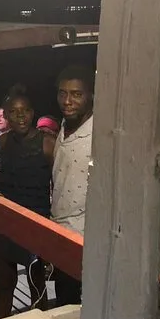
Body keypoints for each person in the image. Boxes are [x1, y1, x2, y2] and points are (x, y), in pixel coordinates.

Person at [0, 87, 56, 319]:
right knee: (5, 284)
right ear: (6, 115)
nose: (21, 116)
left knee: (36, 283)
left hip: (35, 220)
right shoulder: (2, 141)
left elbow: (57, 184)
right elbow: (2, 181)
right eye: (14, 111)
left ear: (32, 112)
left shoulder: (47, 143)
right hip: (5, 220)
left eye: (25, 110)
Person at [51, 65, 94, 306]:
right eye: (62, 93)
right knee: (63, 298)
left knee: (78, 303)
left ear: (91, 95)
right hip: (60, 229)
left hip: (84, 236)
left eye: (76, 94)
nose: (67, 101)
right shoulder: (65, 125)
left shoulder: (99, 135)